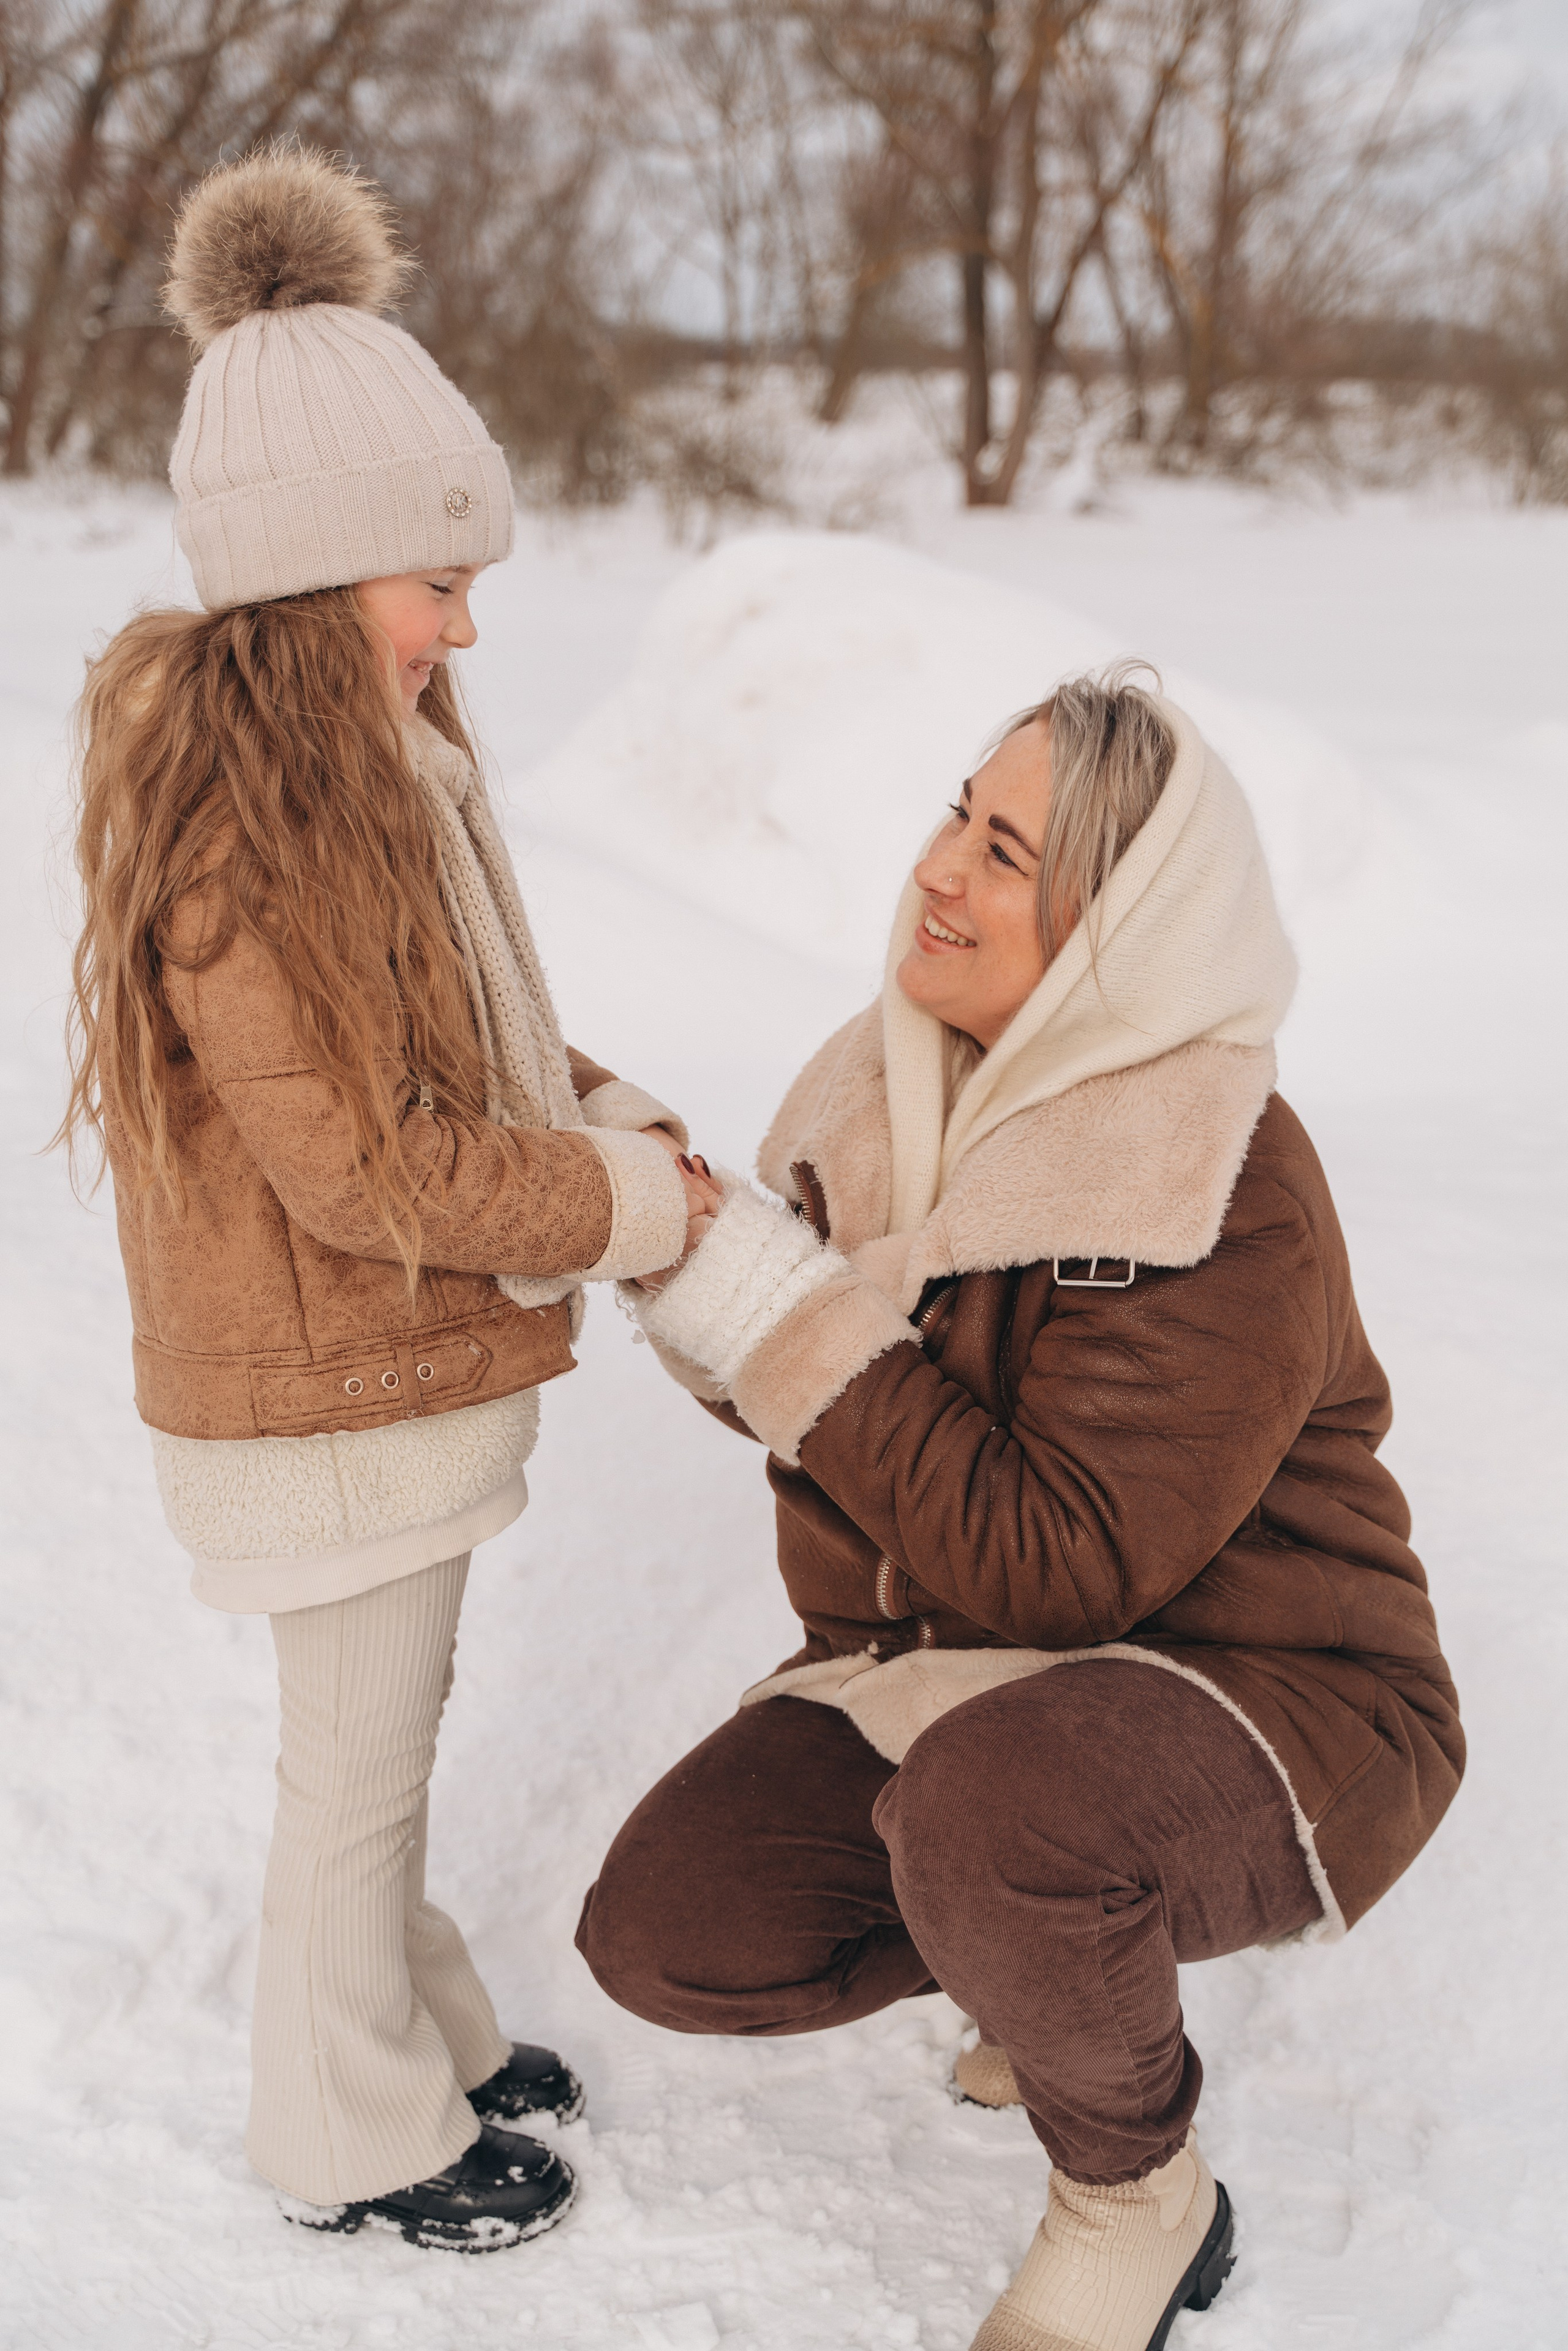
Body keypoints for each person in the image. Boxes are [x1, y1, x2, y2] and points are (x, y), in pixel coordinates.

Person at [578, 667, 1464, 2350]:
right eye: (954, 817)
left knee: (1003, 1824)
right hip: (966, 1682)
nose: (939, 871)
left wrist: (770, 1301)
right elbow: (813, 1382)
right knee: (673, 1929)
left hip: (1269, 1695)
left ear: (1117, 935)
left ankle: (1139, 2197)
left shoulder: (1222, 1169)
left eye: (1007, 854)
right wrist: (648, 1212)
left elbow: (1062, 1565)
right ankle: (1039, 1947)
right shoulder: (893, 1081)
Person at [58, 149, 715, 2254]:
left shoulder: (377, 765)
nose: (464, 618)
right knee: (348, 1774)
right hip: (325, 1386)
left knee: (382, 1741)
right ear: (313, 571)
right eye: (436, 578)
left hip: (383, 1380)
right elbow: (363, 1162)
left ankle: (408, 2026)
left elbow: (466, 1047)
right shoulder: (247, 837)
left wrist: (602, 1104)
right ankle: (353, 2132)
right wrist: (620, 1206)